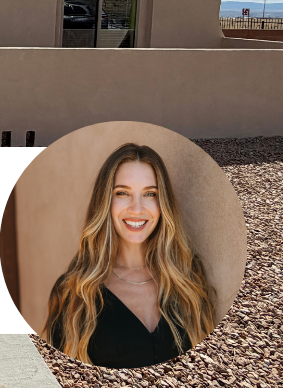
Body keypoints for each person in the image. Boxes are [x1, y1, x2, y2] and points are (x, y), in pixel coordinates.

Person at [42, 143, 215, 368]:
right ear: (106, 202)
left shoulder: (189, 276)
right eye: (122, 193)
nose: (136, 208)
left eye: (150, 194)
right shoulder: (73, 293)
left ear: (163, 203)